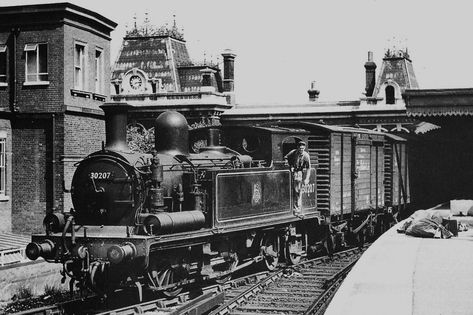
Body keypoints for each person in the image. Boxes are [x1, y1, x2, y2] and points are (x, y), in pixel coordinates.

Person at [284, 141, 311, 211]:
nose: (301, 150)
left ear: (304, 148)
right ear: (298, 148)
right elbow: (286, 157)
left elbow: (308, 168)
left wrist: (307, 178)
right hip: (293, 170)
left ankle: (298, 206)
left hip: (299, 172)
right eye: (300, 148)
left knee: (298, 190)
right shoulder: (293, 152)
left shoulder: (306, 156)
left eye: (302, 149)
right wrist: (289, 165)